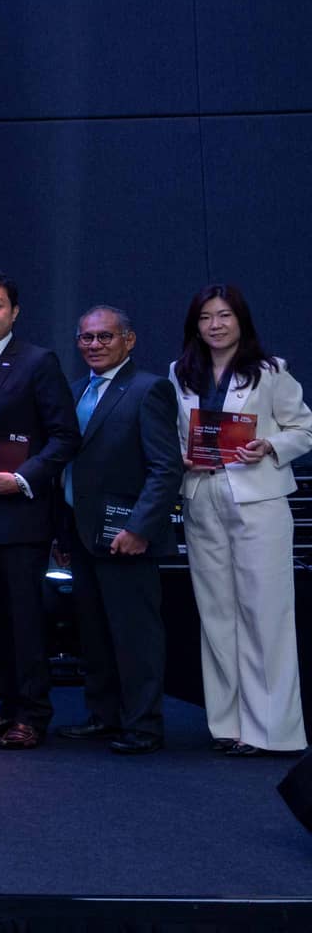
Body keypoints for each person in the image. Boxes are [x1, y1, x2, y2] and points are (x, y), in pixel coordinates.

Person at [169, 283, 312, 755]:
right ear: (195, 326)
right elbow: (175, 434)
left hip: (258, 500)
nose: (215, 325)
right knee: (216, 614)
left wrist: (270, 444)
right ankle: (228, 725)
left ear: (241, 320)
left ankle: (270, 730)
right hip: (201, 497)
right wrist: (179, 457)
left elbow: (305, 428)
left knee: (265, 613)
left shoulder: (271, 372)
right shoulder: (180, 373)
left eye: (224, 315)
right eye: (206, 317)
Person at [0, 270, 80, 750]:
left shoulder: (38, 362)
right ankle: (5, 706)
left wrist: (24, 478)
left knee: (25, 620)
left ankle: (32, 714)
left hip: (20, 515)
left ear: (14, 311)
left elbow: (65, 436)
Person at [57, 304, 182, 755]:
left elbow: (166, 469)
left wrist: (139, 528)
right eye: (86, 337)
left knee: (135, 637)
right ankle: (104, 716)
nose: (94, 345)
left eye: (105, 336)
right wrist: (63, 534)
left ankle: (143, 726)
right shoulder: (74, 391)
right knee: (93, 634)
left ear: (129, 340)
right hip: (82, 534)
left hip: (127, 537)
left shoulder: (149, 389)